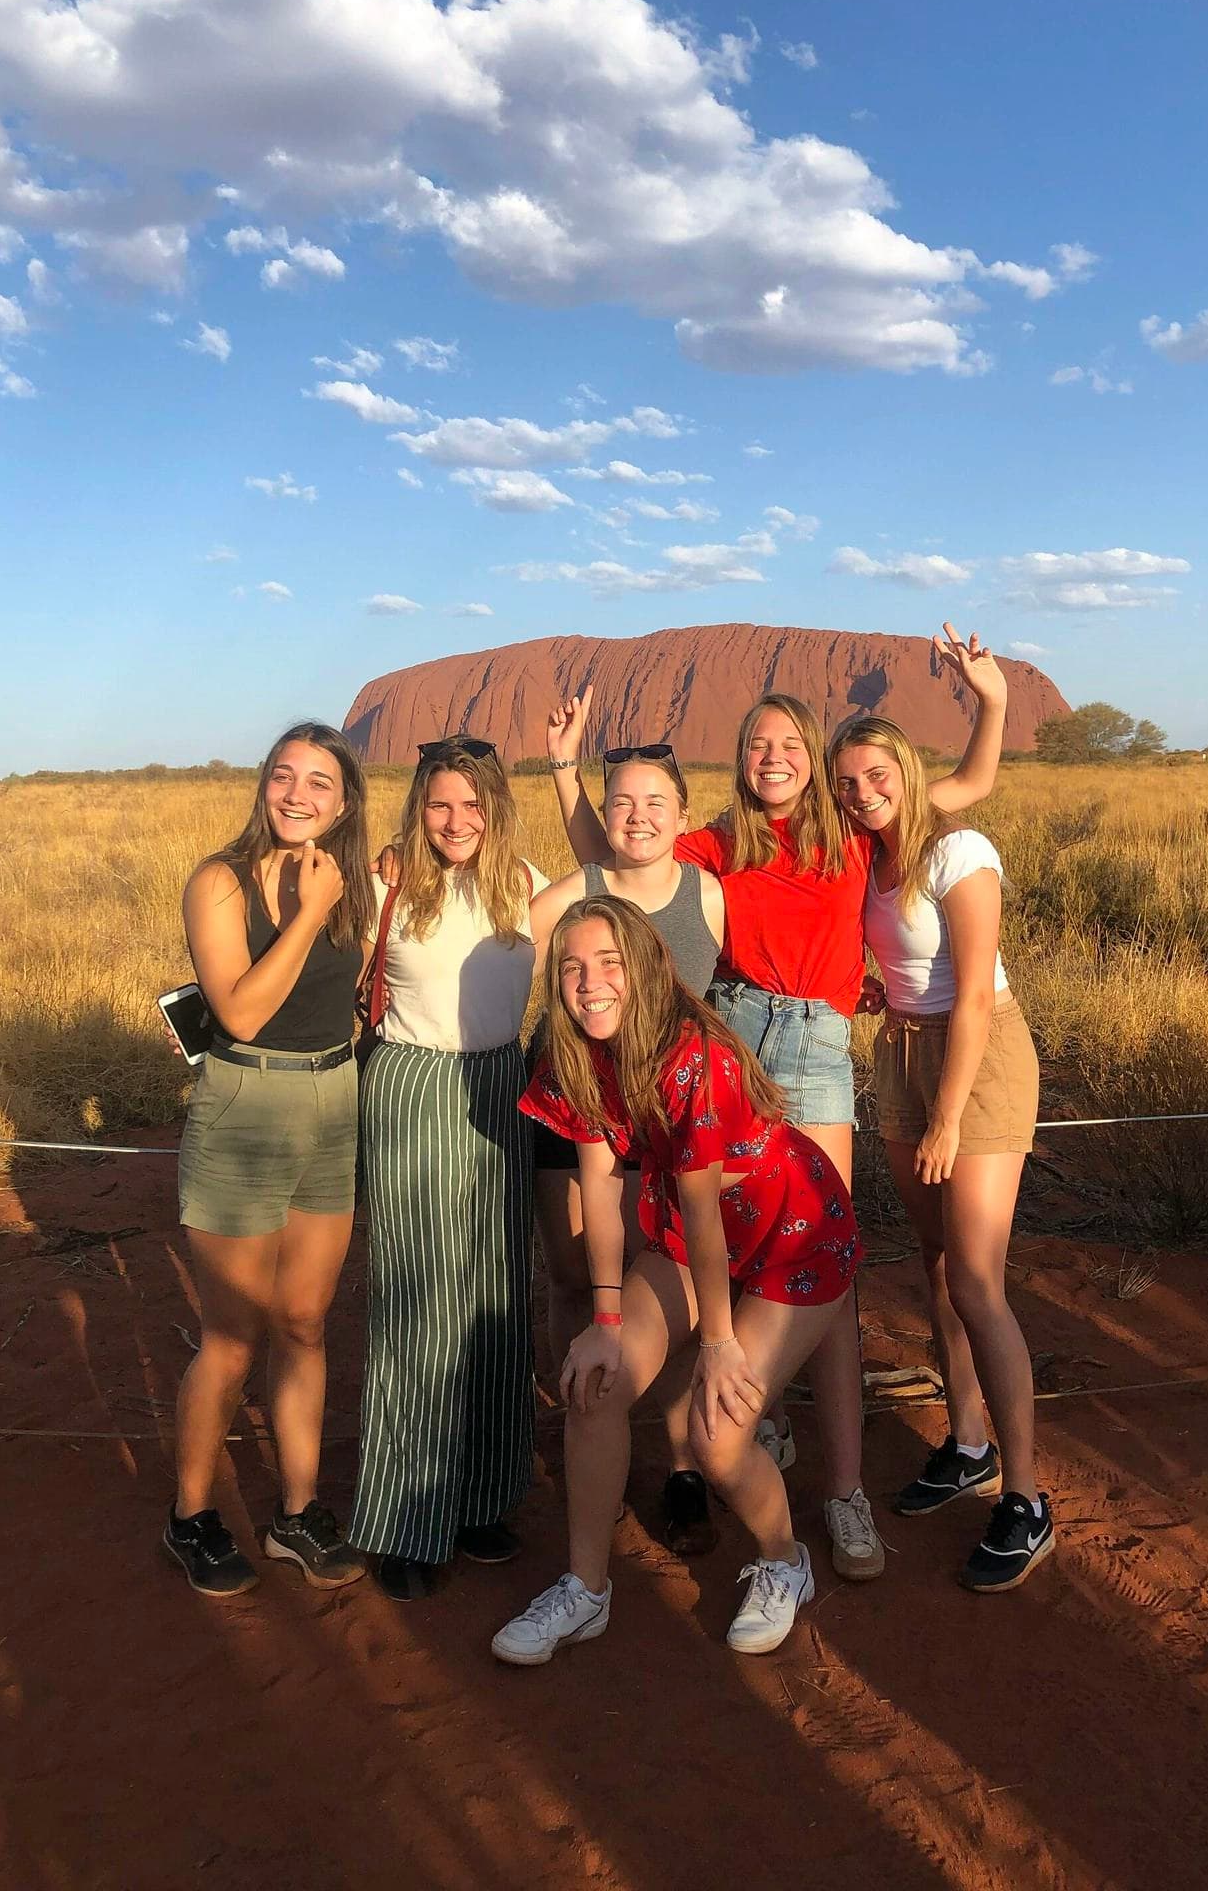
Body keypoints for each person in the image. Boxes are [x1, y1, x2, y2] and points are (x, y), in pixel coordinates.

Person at [545, 625, 1006, 1584]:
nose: (774, 759)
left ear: (815, 755)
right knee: (717, 1233)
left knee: (818, 1259)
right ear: (741, 761)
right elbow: (620, 863)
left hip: (818, 1040)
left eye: (791, 745)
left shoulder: (848, 826)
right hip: (735, 1032)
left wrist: (992, 703)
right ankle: (749, 1433)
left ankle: (841, 1491)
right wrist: (562, 777)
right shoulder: (721, 840)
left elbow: (963, 787)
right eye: (758, 746)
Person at [491, 897, 860, 1664]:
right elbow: (598, 1184)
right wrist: (604, 1319)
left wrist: (719, 1343)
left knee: (718, 1433)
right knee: (598, 1381)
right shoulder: (574, 1054)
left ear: (647, 969)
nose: (589, 985)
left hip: (793, 1234)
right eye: (571, 969)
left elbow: (701, 1209)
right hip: (695, 1237)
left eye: (607, 965)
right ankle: (585, 1590)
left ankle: (786, 1562)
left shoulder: (693, 1054)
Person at [832, 714, 1052, 1590]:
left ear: (906, 769)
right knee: (932, 1261)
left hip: (980, 1057)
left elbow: (969, 993)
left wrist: (950, 1117)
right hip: (903, 1054)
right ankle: (966, 1443)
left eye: (877, 774)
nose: (862, 792)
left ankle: (1026, 1500)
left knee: (975, 1280)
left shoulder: (958, 852)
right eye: (847, 782)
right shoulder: (866, 852)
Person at [166, 723, 375, 1598]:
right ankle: (192, 1517)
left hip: (334, 1104)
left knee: (303, 1323)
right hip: (247, 1103)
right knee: (231, 1336)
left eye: (319, 783)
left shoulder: (355, 881)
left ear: (346, 801)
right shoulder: (220, 882)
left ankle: (295, 1512)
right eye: (284, 777)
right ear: (263, 786)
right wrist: (312, 913)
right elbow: (242, 1014)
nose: (297, 795)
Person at [347, 738, 545, 1601]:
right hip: (414, 1085)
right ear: (417, 808)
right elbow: (332, 980)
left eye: (473, 804)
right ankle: (404, 1519)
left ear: (497, 806)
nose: (457, 821)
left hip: (504, 1084)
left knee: (498, 1293)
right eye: (440, 804)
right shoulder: (386, 885)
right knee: (418, 1299)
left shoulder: (527, 884)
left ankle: (481, 1500)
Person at [527, 743, 726, 1556]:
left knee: (663, 1287)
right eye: (619, 804)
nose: (637, 816)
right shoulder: (578, 889)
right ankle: (590, 1443)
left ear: (684, 814)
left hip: (664, 1120)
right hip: (572, 1103)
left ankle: (681, 1465)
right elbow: (504, 944)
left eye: (653, 802)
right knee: (575, 1274)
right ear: (599, 818)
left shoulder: (710, 894)